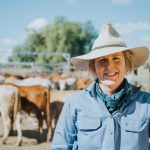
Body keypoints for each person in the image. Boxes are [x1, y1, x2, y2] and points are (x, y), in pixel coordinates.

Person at [51, 23, 150, 150]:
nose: (109, 66)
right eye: (102, 60)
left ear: (126, 63)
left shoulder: (147, 103)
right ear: (93, 66)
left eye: (116, 58)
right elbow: (60, 147)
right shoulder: (75, 103)